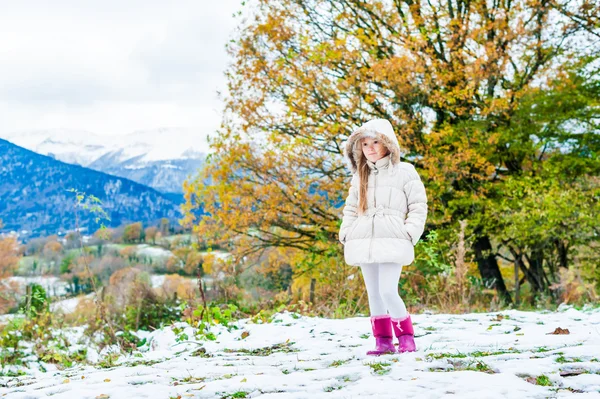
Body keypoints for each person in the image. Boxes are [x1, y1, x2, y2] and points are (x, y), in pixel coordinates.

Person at [339, 118, 428, 355]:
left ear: (388, 143)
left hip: (392, 237)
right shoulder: (360, 175)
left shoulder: (405, 171)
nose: (370, 147)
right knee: (374, 293)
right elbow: (350, 207)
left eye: (376, 141)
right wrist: (346, 231)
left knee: (388, 290)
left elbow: (418, 205)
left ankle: (406, 336)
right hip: (364, 238)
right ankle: (383, 341)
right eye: (365, 143)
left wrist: (410, 232)